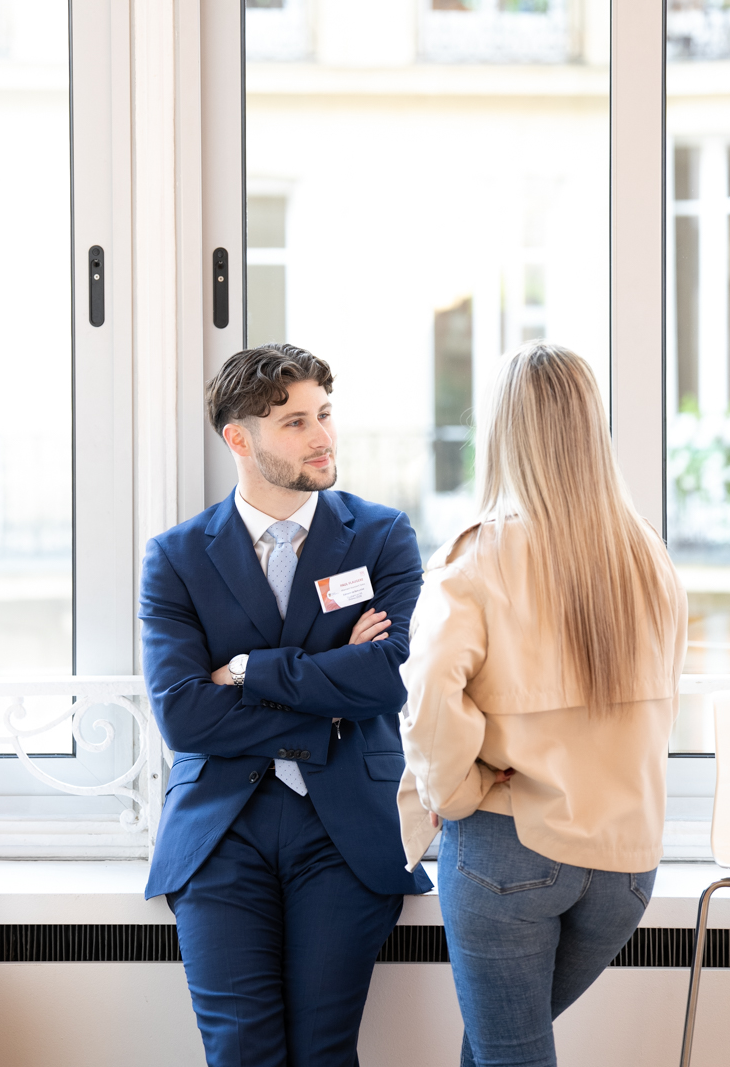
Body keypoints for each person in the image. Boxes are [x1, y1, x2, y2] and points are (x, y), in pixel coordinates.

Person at [140, 343, 431, 1067]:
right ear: (239, 439)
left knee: (323, 1051)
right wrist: (332, 688)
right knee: (241, 1052)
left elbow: (389, 678)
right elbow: (183, 715)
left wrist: (244, 669)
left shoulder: (382, 536)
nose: (322, 436)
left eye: (324, 414)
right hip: (220, 829)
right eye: (295, 422)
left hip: (345, 827)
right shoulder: (175, 556)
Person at [397, 342, 687, 1067]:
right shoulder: (648, 556)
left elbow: (427, 699)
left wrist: (456, 793)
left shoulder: (474, 560)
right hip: (626, 861)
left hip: (510, 847)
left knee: (508, 1052)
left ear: (501, 431)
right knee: (499, 1049)